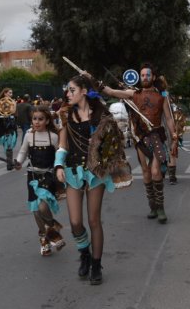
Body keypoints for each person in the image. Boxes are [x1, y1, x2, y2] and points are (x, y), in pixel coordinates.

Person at [55, 74, 132, 285]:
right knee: (75, 221)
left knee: (93, 220)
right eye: (67, 90)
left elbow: (114, 145)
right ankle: (84, 254)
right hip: (72, 171)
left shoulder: (102, 115)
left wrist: (100, 145)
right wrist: (58, 165)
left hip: (95, 173)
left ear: (83, 91)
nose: (67, 94)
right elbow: (62, 144)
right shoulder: (65, 114)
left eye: (71, 90)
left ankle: (96, 265)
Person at [98, 64, 177, 222]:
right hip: (141, 138)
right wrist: (96, 82)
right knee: (146, 172)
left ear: (153, 77)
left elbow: (168, 118)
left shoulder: (162, 96)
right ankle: (152, 207)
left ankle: (161, 208)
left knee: (155, 172)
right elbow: (112, 92)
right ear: (140, 78)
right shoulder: (133, 94)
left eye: (148, 75)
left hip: (156, 136)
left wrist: (174, 135)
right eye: (142, 75)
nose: (145, 78)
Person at [14, 106, 65, 256]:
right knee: (36, 211)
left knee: (43, 208)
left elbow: (59, 155)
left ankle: (52, 228)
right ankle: (45, 239)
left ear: (47, 120)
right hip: (32, 176)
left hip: (48, 176)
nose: (37, 122)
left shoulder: (53, 137)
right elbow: (23, 152)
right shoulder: (29, 136)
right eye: (34, 119)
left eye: (40, 119)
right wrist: (17, 162)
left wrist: (60, 169)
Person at [0, 88, 18, 170]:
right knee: (7, 145)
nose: (11, 94)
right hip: (3, 125)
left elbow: (14, 112)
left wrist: (12, 104)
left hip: (11, 124)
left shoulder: (13, 102)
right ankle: (9, 163)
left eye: (11, 93)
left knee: (10, 144)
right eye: (9, 93)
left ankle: (9, 162)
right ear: (5, 93)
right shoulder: (0, 101)